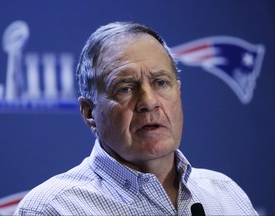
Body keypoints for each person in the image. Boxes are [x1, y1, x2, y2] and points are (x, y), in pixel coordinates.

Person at [14, 21, 257, 215]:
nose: (149, 102)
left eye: (161, 83)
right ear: (89, 113)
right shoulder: (52, 209)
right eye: (125, 88)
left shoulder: (226, 196)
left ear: (178, 92)